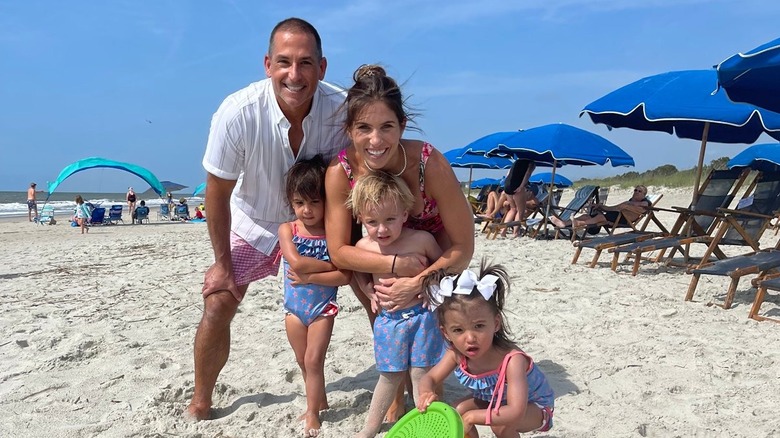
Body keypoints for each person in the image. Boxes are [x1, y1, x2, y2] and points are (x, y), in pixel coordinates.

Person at [186, 17, 349, 421]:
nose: (295, 75)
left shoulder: (341, 110)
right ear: (267, 65)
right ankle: (201, 400)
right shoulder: (237, 112)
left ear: (322, 68)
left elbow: (362, 171)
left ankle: (395, 397)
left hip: (318, 224)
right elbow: (217, 193)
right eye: (284, 62)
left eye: (306, 63)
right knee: (218, 303)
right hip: (254, 220)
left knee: (373, 291)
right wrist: (223, 264)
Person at [324, 64, 474, 421]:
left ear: (402, 126)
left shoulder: (428, 163)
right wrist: (395, 268)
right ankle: (395, 394)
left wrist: (420, 280)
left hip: (432, 252)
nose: (376, 140)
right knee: (384, 319)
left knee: (433, 328)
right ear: (349, 130)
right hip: (375, 254)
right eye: (364, 128)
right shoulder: (340, 173)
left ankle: (427, 396)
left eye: (386, 127)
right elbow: (338, 250)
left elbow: (463, 247)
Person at [345, 171, 444, 438]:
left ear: (404, 213)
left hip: (422, 317)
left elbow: (442, 268)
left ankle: (427, 424)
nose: (382, 229)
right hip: (389, 321)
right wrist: (368, 290)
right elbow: (356, 270)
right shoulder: (364, 246)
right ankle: (370, 428)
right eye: (372, 221)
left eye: (390, 219)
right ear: (360, 218)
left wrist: (427, 285)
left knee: (420, 374)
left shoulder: (421, 240)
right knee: (388, 376)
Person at [417, 260, 555, 437]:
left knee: (501, 426)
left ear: (495, 323)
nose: (470, 338)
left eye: (479, 326)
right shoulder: (456, 354)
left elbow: (515, 411)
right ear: (445, 332)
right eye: (458, 330)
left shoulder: (512, 360)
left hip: (534, 407)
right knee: (455, 412)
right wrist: (426, 392)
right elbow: (429, 377)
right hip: (496, 401)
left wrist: (473, 416)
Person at [278, 156, 349, 437]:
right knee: (301, 360)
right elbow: (296, 263)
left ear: (325, 201)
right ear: (291, 203)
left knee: (313, 360)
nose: (306, 210)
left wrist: (311, 275)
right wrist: (329, 266)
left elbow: (344, 276)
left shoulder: (333, 235)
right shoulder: (288, 229)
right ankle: (318, 399)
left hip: (322, 308)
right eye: (299, 203)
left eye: (314, 202)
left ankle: (312, 413)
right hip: (293, 309)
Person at [549, 185, 651, 229]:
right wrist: (601, 207)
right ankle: (565, 223)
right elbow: (614, 207)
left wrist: (627, 205)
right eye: (635, 190)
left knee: (601, 217)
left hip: (623, 219)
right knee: (587, 215)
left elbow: (641, 206)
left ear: (644, 195)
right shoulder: (628, 202)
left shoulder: (645, 203)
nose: (636, 192)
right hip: (616, 215)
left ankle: (577, 223)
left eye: (639, 191)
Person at [500, 159, 536, 238]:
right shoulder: (531, 163)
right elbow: (527, 174)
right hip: (517, 186)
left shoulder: (516, 162)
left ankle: (503, 231)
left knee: (513, 209)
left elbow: (508, 174)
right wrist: (521, 186)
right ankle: (515, 232)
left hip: (507, 185)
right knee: (520, 211)